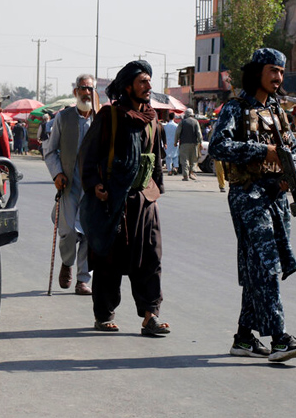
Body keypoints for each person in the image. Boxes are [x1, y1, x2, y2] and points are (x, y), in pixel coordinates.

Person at [208, 48, 296, 362]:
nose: (278, 77)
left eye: (281, 71)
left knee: (260, 266)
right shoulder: (236, 108)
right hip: (249, 194)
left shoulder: (278, 110)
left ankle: (244, 337)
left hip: (276, 196)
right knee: (267, 265)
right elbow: (218, 146)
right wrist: (261, 151)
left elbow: (293, 150)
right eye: (272, 70)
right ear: (257, 72)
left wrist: (290, 176)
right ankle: (279, 338)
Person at [79, 60, 169, 336]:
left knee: (150, 258)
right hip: (114, 202)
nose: (149, 86)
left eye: (150, 81)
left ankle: (150, 315)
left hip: (144, 202)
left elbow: (156, 160)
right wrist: (94, 185)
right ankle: (104, 315)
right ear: (128, 86)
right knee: (109, 260)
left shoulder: (153, 119)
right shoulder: (111, 116)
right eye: (143, 81)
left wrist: (157, 190)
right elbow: (88, 155)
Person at [43, 74, 97, 296]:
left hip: (92, 186)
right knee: (68, 233)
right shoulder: (63, 118)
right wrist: (57, 173)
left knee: (89, 234)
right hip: (68, 185)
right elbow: (50, 150)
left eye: (90, 89)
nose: (86, 92)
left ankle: (83, 280)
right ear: (76, 92)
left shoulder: (100, 119)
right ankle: (67, 263)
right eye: (83, 88)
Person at [175, 108, 202, 181]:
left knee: (185, 159)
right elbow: (199, 133)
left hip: (184, 144)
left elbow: (177, 133)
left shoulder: (182, 122)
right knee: (194, 159)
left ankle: (185, 175)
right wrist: (201, 142)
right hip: (194, 143)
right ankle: (192, 173)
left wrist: (175, 141)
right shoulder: (196, 122)